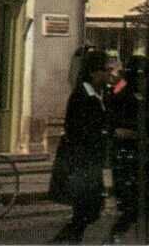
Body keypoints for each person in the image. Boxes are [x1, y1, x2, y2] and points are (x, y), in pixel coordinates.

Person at [48, 50, 109, 243]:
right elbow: (77, 129)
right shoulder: (82, 96)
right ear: (93, 73)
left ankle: (66, 241)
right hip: (81, 161)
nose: (108, 74)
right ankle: (60, 242)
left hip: (90, 162)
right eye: (104, 70)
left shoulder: (98, 94)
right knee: (86, 210)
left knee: (87, 211)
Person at [106, 55, 149, 241]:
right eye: (140, 76)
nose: (144, 80)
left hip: (144, 158)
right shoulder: (120, 94)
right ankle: (114, 239)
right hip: (125, 157)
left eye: (146, 77)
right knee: (129, 208)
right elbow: (114, 126)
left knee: (145, 209)